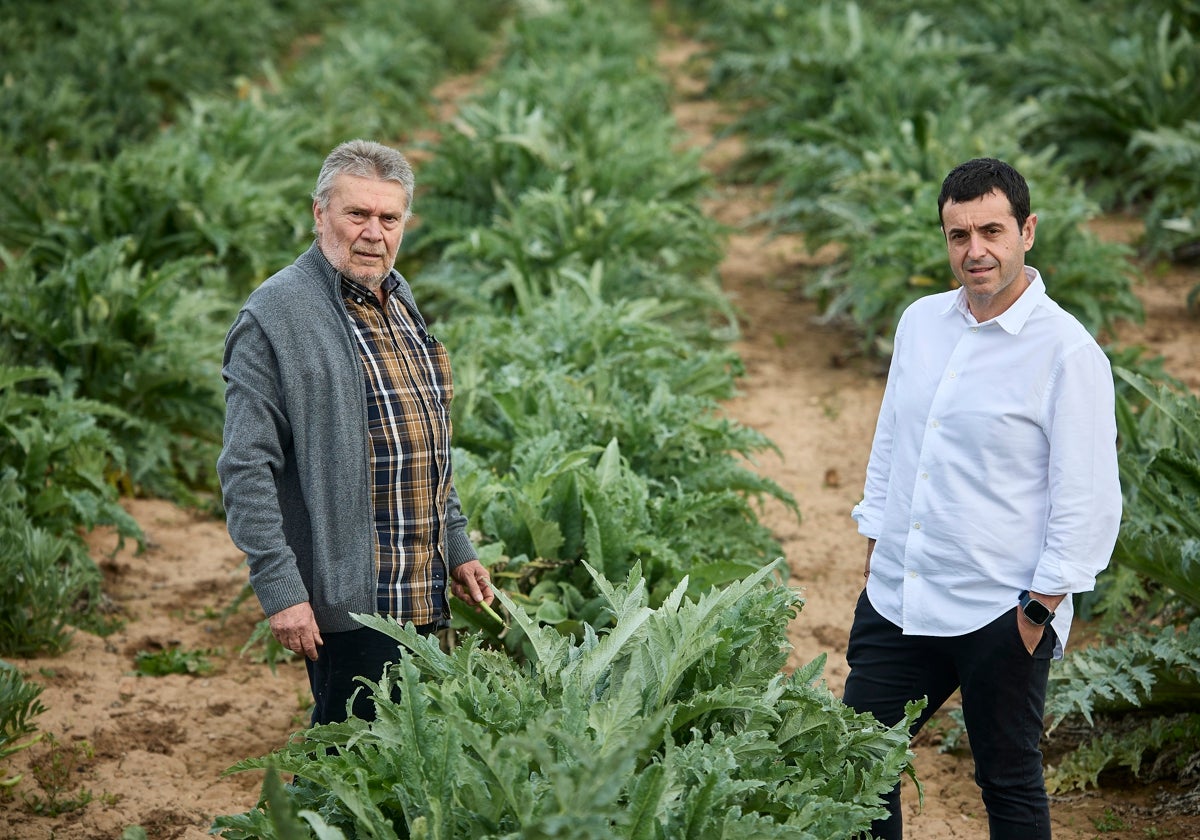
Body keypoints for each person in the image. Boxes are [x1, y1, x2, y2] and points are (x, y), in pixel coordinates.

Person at [842, 158, 1122, 839]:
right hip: (899, 597)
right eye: (958, 235)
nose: (975, 251)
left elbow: (1086, 499)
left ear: (1027, 230)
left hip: (1000, 610)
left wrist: (1038, 608)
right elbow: (893, 438)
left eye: (991, 231)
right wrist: (877, 538)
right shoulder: (920, 323)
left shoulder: (1066, 354)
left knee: (1007, 781)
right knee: (851, 764)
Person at [217, 139, 494, 726]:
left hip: (420, 583)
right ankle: (289, 823)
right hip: (351, 600)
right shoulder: (273, 317)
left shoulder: (397, 297)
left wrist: (458, 545)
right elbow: (246, 468)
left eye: (389, 218)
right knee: (350, 767)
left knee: (410, 758)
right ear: (319, 214)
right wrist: (281, 588)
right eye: (357, 214)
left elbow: (423, 441)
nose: (374, 232)